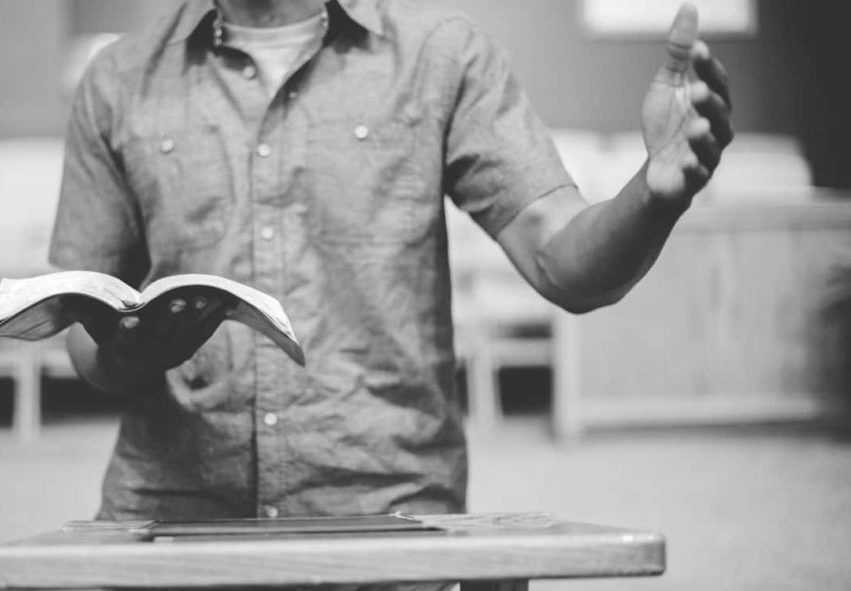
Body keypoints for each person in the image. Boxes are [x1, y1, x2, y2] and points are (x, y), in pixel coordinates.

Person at [51, 0, 732, 521]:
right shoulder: (118, 79)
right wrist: (127, 351)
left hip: (385, 512)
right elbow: (82, 334)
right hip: (169, 515)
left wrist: (652, 195)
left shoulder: (442, 56)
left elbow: (563, 265)